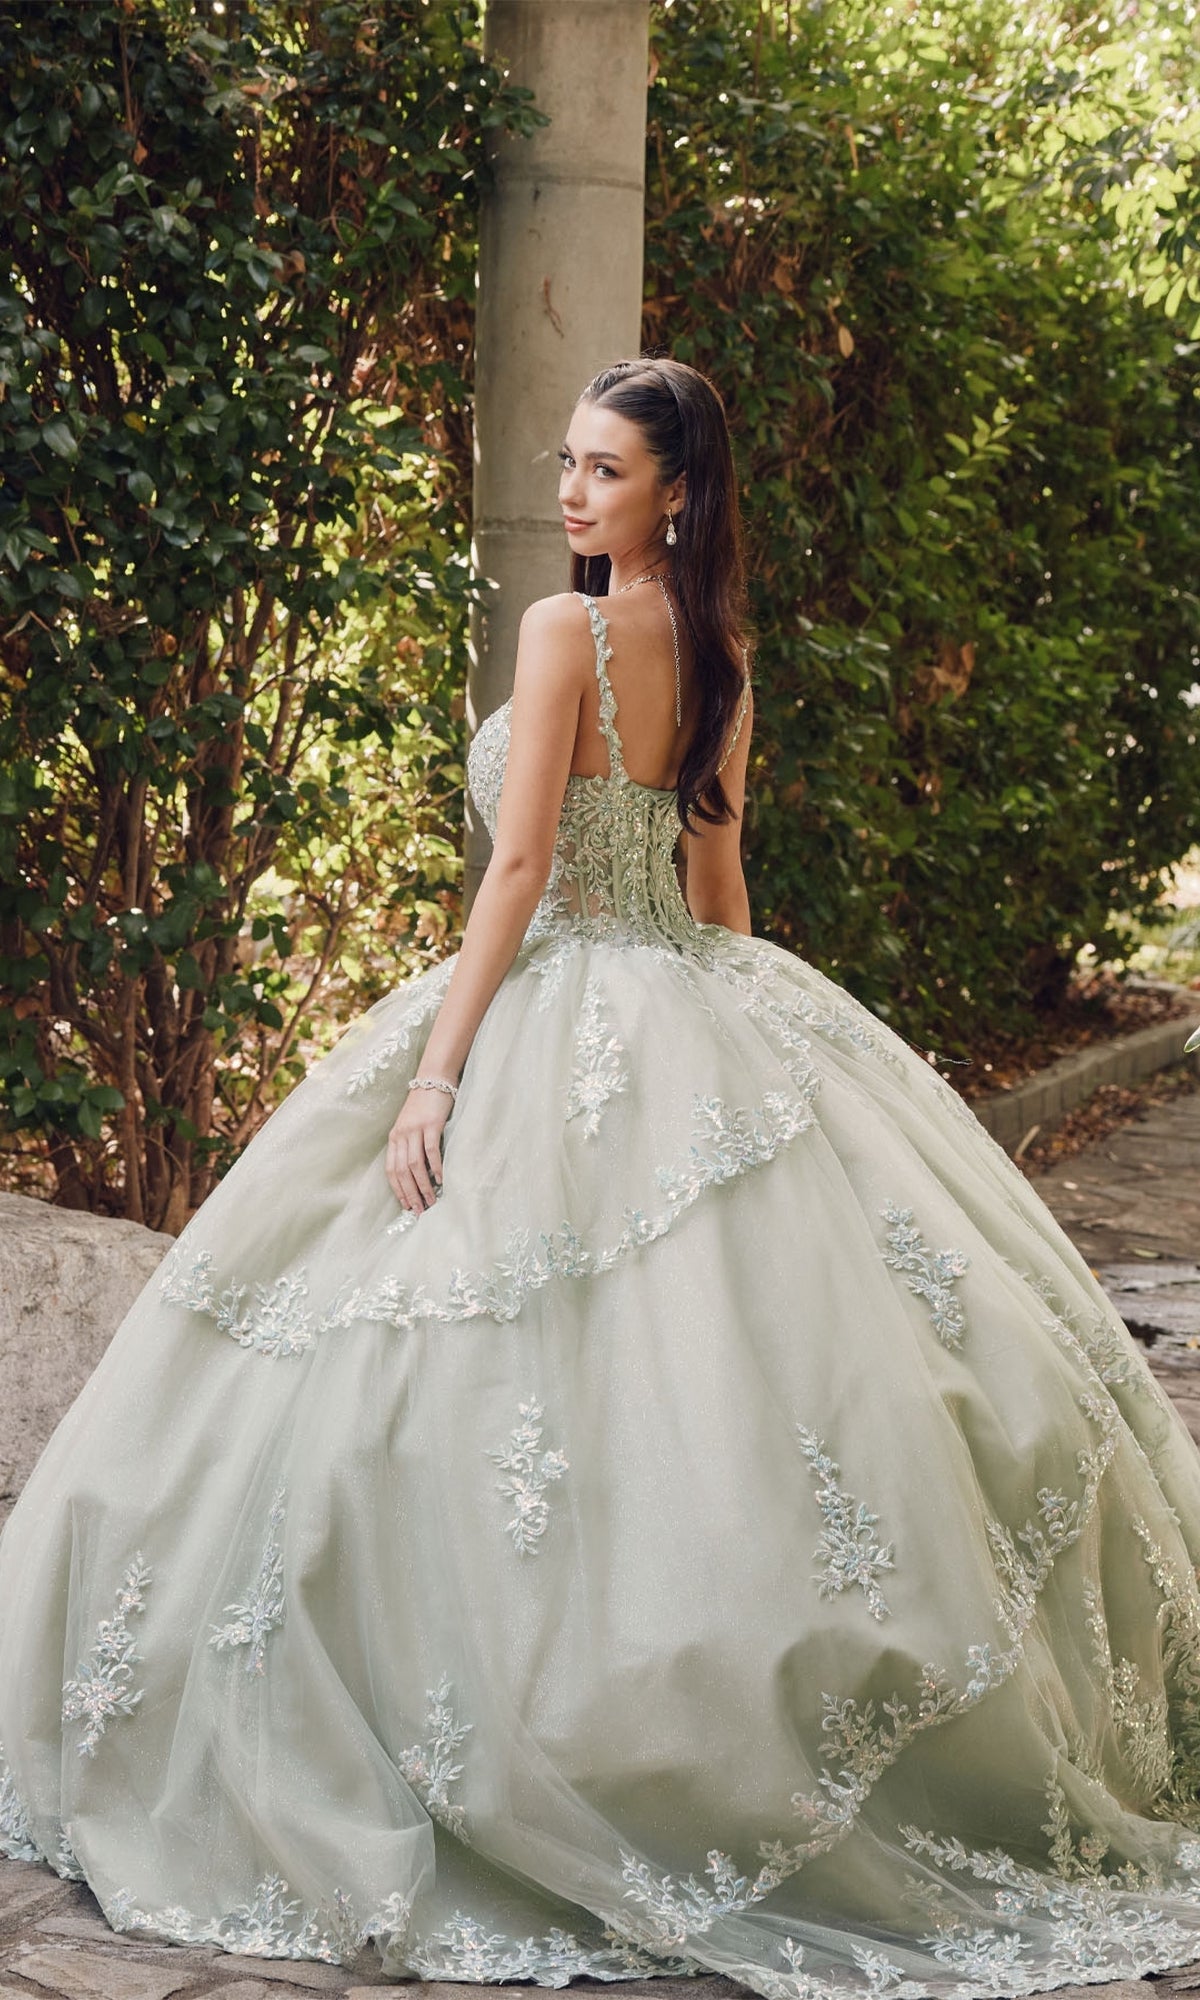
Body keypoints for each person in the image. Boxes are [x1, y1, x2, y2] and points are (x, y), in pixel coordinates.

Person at [3, 357, 1200, 2000]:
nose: (571, 491)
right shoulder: (723, 653)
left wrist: (440, 1074)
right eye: (567, 463)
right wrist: (767, 1052)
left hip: (555, 990)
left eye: (604, 470)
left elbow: (519, 866)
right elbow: (718, 887)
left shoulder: (564, 630)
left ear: (675, 494)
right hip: (690, 992)